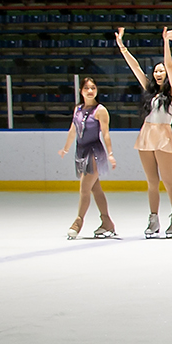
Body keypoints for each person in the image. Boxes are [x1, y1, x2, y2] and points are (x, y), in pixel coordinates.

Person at [114, 27, 172, 238]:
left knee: (168, 180)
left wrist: (166, 42)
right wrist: (122, 46)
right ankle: (153, 218)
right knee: (152, 182)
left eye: (161, 70)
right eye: (156, 70)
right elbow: (134, 67)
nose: (159, 72)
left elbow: (170, 65)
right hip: (146, 135)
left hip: (163, 135)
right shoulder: (149, 89)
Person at [59, 77, 118, 239]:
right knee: (95, 188)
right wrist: (65, 148)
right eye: (87, 88)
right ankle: (107, 222)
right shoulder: (78, 109)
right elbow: (73, 130)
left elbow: (105, 133)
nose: (90, 91)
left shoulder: (101, 110)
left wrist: (110, 154)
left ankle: (78, 222)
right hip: (81, 152)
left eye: (93, 88)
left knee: (84, 188)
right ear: (81, 91)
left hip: (95, 152)